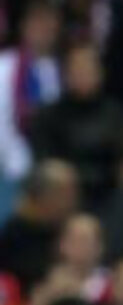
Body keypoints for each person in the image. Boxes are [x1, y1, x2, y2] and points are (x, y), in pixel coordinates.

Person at [30, 42, 123, 212]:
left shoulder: (116, 114)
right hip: (64, 197)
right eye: (78, 69)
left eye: (89, 68)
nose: (84, 74)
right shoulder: (48, 116)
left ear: (100, 73)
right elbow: (44, 162)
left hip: (109, 195)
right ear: (65, 75)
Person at [0, 0, 60, 180]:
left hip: (55, 169)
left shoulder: (63, 67)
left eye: (49, 19)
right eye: (38, 20)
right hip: (11, 166)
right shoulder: (4, 66)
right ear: (23, 25)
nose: (44, 27)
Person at [0, 159, 79, 295]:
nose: (73, 199)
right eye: (65, 192)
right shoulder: (15, 233)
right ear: (43, 195)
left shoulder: (71, 228)